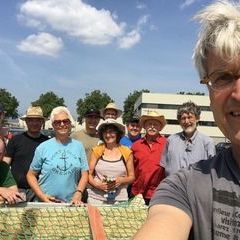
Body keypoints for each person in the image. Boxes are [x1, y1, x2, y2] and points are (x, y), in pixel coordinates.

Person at [134, 1, 240, 239]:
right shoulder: (184, 180)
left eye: (189, 116)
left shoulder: (205, 141)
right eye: (223, 77)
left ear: (197, 118)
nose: (238, 94)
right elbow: (165, 176)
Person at [27, 106, 89, 204]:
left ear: (70, 123)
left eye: (65, 121)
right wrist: (42, 196)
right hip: (46, 202)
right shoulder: (43, 147)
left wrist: (78, 193)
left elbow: (85, 174)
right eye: (57, 122)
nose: (62, 124)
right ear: (53, 125)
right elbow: (31, 175)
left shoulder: (78, 146)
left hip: (71, 202)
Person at [3, 106, 49, 201]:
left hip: (41, 190)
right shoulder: (15, 140)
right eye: (31, 120)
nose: (34, 123)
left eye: (37, 120)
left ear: (42, 122)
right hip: (17, 189)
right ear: (26, 121)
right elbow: (5, 164)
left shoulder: (47, 142)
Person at [161, 101, 215, 176]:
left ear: (197, 118)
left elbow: (212, 171)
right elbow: (163, 167)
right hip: (173, 186)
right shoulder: (171, 140)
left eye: (190, 117)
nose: (186, 121)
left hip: (197, 187)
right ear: (179, 121)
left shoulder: (207, 142)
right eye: (183, 118)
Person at [87, 119, 135, 205]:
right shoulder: (97, 150)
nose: (108, 135)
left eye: (111, 132)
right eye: (105, 132)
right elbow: (89, 174)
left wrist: (121, 180)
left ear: (117, 133)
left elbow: (132, 177)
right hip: (96, 198)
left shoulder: (126, 151)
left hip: (119, 199)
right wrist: (97, 185)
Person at [131, 111, 167, 205]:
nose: (152, 127)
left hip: (159, 193)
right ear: (144, 126)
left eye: (155, 124)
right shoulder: (136, 145)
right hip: (137, 193)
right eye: (149, 124)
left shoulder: (167, 144)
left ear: (160, 127)